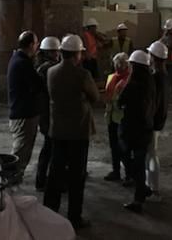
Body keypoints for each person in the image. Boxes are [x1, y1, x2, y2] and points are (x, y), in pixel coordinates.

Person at [44, 34, 100, 231]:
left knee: (55, 173)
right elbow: (95, 98)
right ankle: (74, 218)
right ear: (77, 54)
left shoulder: (51, 72)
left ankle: (49, 213)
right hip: (78, 132)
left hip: (58, 130)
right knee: (77, 177)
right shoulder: (82, 75)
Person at [118, 50, 156, 214]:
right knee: (139, 162)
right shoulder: (151, 82)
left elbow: (120, 101)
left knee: (132, 161)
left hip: (132, 129)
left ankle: (138, 198)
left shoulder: (132, 85)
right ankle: (143, 189)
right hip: (146, 128)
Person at [6, 30, 40, 181]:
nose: (37, 47)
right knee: (21, 150)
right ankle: (10, 178)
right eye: (36, 44)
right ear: (31, 45)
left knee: (22, 148)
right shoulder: (23, 63)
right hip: (23, 113)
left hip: (21, 111)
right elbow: (36, 84)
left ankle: (13, 176)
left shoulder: (17, 59)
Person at [34, 36, 61, 191]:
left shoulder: (41, 67)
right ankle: (43, 180)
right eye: (54, 51)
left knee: (49, 147)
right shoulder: (47, 69)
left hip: (45, 113)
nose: (57, 53)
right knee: (50, 148)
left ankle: (42, 179)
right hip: (49, 113)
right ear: (48, 52)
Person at [146, 40, 170, 200]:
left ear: (154, 57)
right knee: (151, 154)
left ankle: (153, 189)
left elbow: (154, 103)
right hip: (159, 120)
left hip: (153, 121)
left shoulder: (156, 78)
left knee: (151, 155)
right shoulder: (164, 76)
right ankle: (150, 186)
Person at [103, 52, 132, 183]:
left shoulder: (129, 81)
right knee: (114, 146)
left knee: (124, 149)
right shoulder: (113, 78)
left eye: (120, 64)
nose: (118, 67)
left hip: (122, 118)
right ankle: (116, 171)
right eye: (117, 64)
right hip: (111, 116)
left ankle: (129, 174)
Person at [81, 18, 110, 82]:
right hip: (87, 60)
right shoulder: (86, 35)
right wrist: (87, 55)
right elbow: (85, 46)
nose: (95, 29)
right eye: (94, 27)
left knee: (94, 77)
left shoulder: (94, 36)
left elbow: (103, 41)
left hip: (93, 59)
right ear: (90, 27)